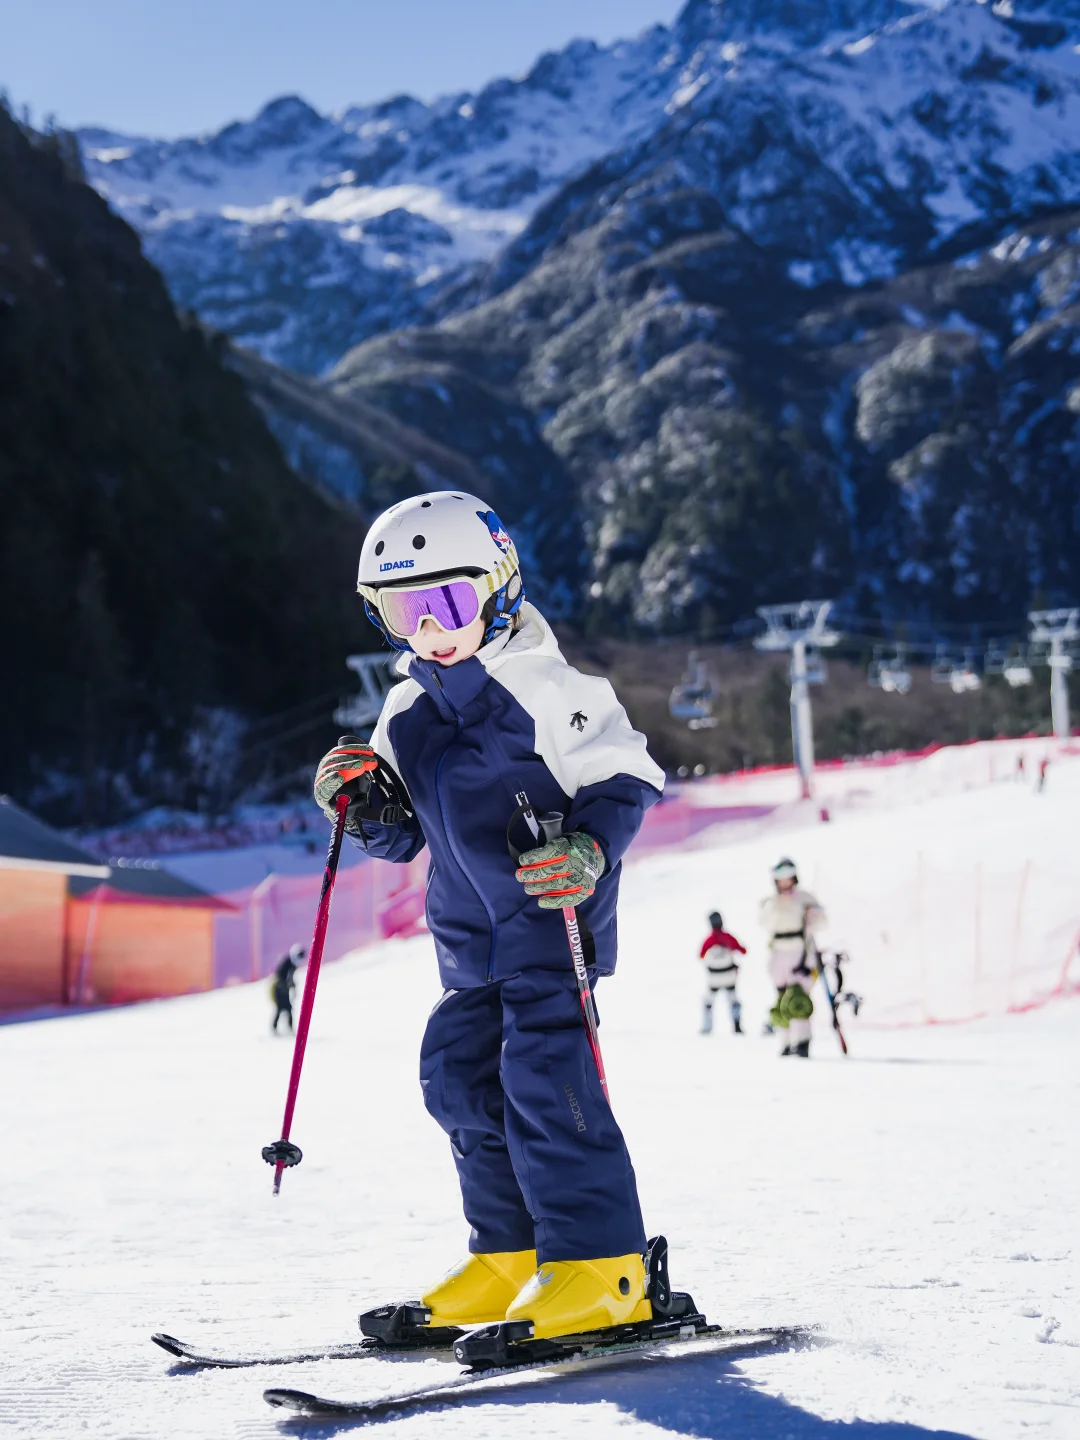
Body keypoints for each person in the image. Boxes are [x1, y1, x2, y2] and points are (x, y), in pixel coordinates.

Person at [312, 491, 664, 1344]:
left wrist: (587, 851)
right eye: (405, 610)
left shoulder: (551, 690)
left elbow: (628, 779)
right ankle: (511, 1254)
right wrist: (359, 805)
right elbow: (401, 837)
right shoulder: (405, 711)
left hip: (551, 927)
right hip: (467, 944)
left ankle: (603, 1268)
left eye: (449, 604)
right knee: (459, 1080)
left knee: (547, 1082)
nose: (431, 629)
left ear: (498, 588)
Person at [759, 859, 825, 1058]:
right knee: (782, 1001)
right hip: (779, 954)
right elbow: (765, 923)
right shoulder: (770, 902)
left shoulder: (805, 898)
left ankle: (802, 1042)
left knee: (798, 1000)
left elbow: (822, 922)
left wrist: (812, 914)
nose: (784, 882)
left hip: (800, 954)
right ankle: (785, 1041)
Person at [697, 911, 746, 1035]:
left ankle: (707, 1027)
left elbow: (701, 956)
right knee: (733, 1000)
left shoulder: (708, 940)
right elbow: (742, 951)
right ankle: (736, 1025)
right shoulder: (728, 937)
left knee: (708, 1001)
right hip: (729, 977)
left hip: (714, 979)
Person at [270, 944, 304, 1034]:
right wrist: (287, 985)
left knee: (288, 1008)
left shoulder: (292, 965)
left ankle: (289, 1028)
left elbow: (290, 979)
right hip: (279, 990)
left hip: (285, 990)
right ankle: (274, 1028)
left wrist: (293, 986)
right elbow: (279, 977)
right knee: (280, 1008)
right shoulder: (286, 963)